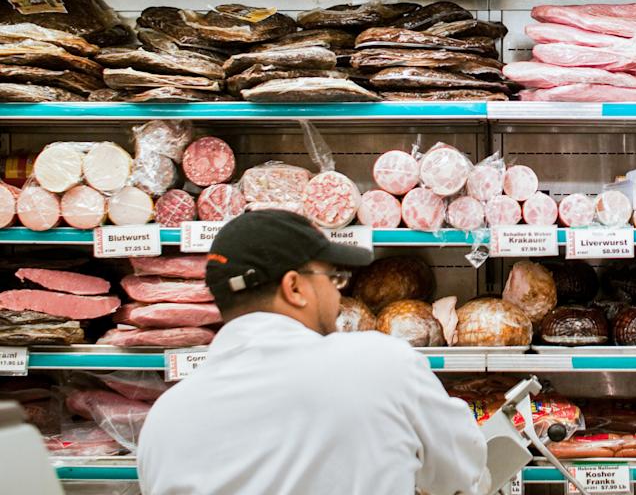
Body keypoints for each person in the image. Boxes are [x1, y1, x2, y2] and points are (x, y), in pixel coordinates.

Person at [138, 210, 490, 495]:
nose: (338, 294)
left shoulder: (164, 419)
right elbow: (462, 472)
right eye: (332, 278)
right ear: (295, 287)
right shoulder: (381, 364)